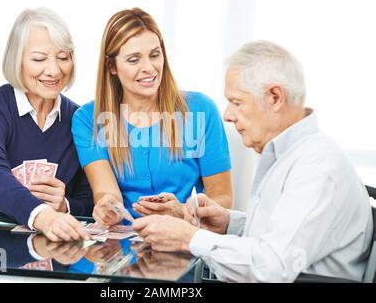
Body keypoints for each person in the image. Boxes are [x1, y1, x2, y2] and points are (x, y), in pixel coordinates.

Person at [132, 40, 374, 282]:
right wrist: (229, 223)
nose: (227, 115)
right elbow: (285, 234)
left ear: (275, 97)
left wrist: (189, 238)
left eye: (236, 102)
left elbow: (271, 267)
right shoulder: (293, 154)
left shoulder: (316, 168)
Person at [72, 7, 233, 226]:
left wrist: (184, 211)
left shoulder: (200, 110)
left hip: (184, 237)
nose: (149, 68)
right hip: (124, 241)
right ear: (112, 66)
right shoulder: (88, 119)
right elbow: (105, 191)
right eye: (133, 59)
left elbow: (223, 199)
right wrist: (107, 206)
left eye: (155, 55)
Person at [0, 7, 92, 242]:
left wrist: (64, 206)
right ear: (16, 60)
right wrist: (45, 216)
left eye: (63, 58)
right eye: (39, 59)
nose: (53, 70)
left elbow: (89, 200)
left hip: (50, 257)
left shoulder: (78, 120)